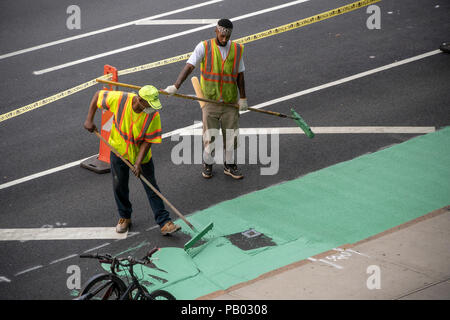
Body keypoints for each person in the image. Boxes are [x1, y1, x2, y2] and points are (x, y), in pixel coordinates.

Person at [84, 85, 181, 235]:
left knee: (152, 187)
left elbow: (148, 141)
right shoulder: (120, 100)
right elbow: (98, 95)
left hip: (141, 156)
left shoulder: (153, 115)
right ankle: (125, 217)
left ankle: (164, 222)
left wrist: (138, 163)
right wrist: (89, 120)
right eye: (149, 104)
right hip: (119, 151)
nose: (152, 108)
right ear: (140, 100)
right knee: (119, 186)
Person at [165, 18, 248, 179]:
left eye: (227, 37)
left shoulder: (237, 50)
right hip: (210, 101)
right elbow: (189, 67)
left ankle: (229, 165)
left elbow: (240, 76)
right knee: (210, 137)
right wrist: (176, 86)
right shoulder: (204, 47)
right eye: (221, 35)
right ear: (216, 31)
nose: (224, 39)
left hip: (231, 102)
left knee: (231, 137)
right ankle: (208, 163)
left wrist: (243, 98)